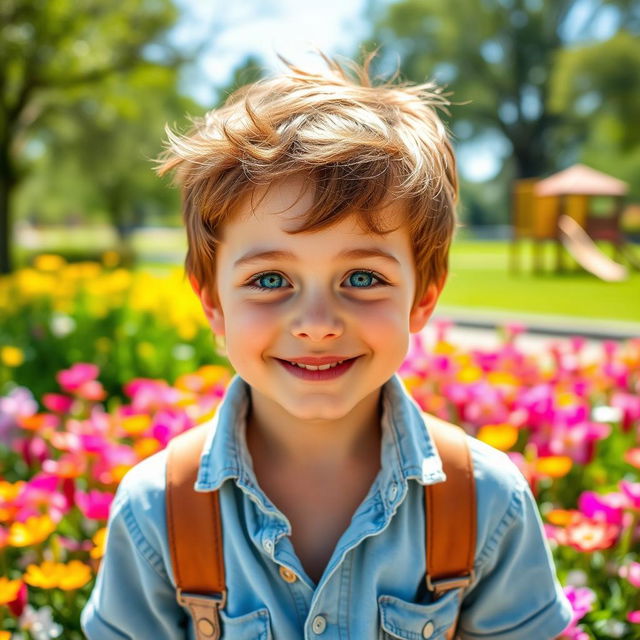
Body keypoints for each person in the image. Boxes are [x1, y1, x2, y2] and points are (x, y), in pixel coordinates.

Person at [80, 51, 574, 639]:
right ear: (212, 302)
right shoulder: (157, 510)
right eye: (270, 280)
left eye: (362, 278)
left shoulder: (485, 502)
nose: (316, 323)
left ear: (424, 297)